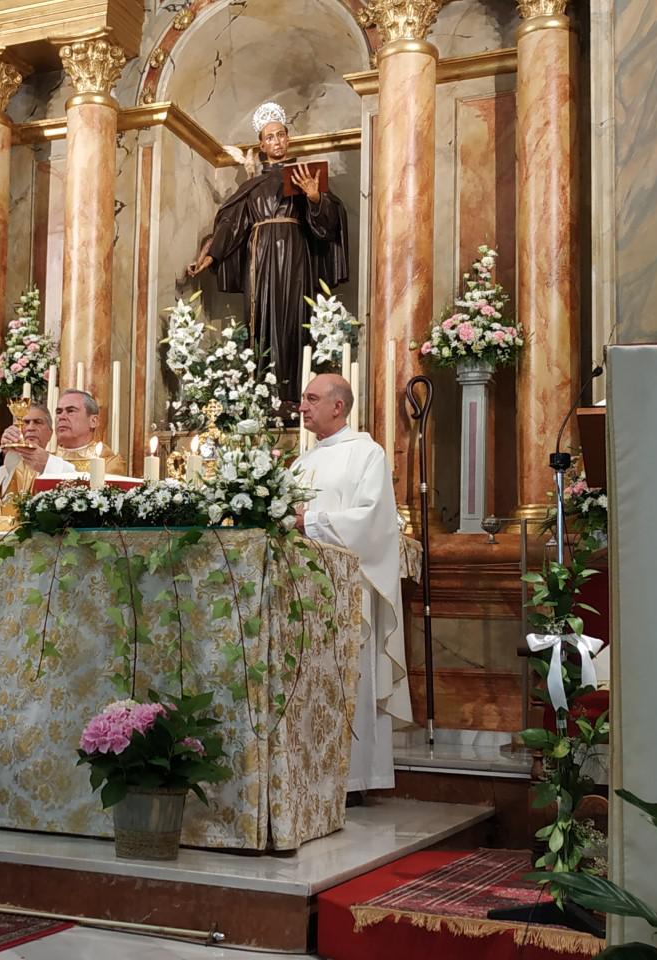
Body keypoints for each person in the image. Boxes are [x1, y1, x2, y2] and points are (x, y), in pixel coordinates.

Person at [294, 373, 411, 794]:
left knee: (351, 681)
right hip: (303, 591)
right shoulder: (301, 461)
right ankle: (310, 775)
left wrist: (308, 520)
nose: (302, 407)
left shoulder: (367, 454)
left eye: (310, 399)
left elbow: (372, 520)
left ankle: (353, 779)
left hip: (349, 590)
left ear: (337, 406)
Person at [187, 101, 348, 404]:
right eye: (270, 137)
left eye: (281, 135)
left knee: (294, 319)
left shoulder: (304, 177)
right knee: (260, 320)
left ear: (288, 138)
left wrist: (314, 198)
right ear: (261, 145)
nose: (276, 141)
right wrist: (210, 257)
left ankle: (293, 395)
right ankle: (262, 394)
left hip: (296, 258)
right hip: (259, 261)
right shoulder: (254, 186)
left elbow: (328, 224)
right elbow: (231, 225)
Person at [0, 404, 75, 499]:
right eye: (25, 422)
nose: (30, 428)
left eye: (38, 422)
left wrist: (47, 464)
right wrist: (4, 459)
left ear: (50, 433)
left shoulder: (61, 465)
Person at [53, 390, 126, 475]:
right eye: (58, 412)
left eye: (71, 411)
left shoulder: (109, 463)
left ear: (93, 421)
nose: (61, 417)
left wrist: (50, 465)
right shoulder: (42, 461)